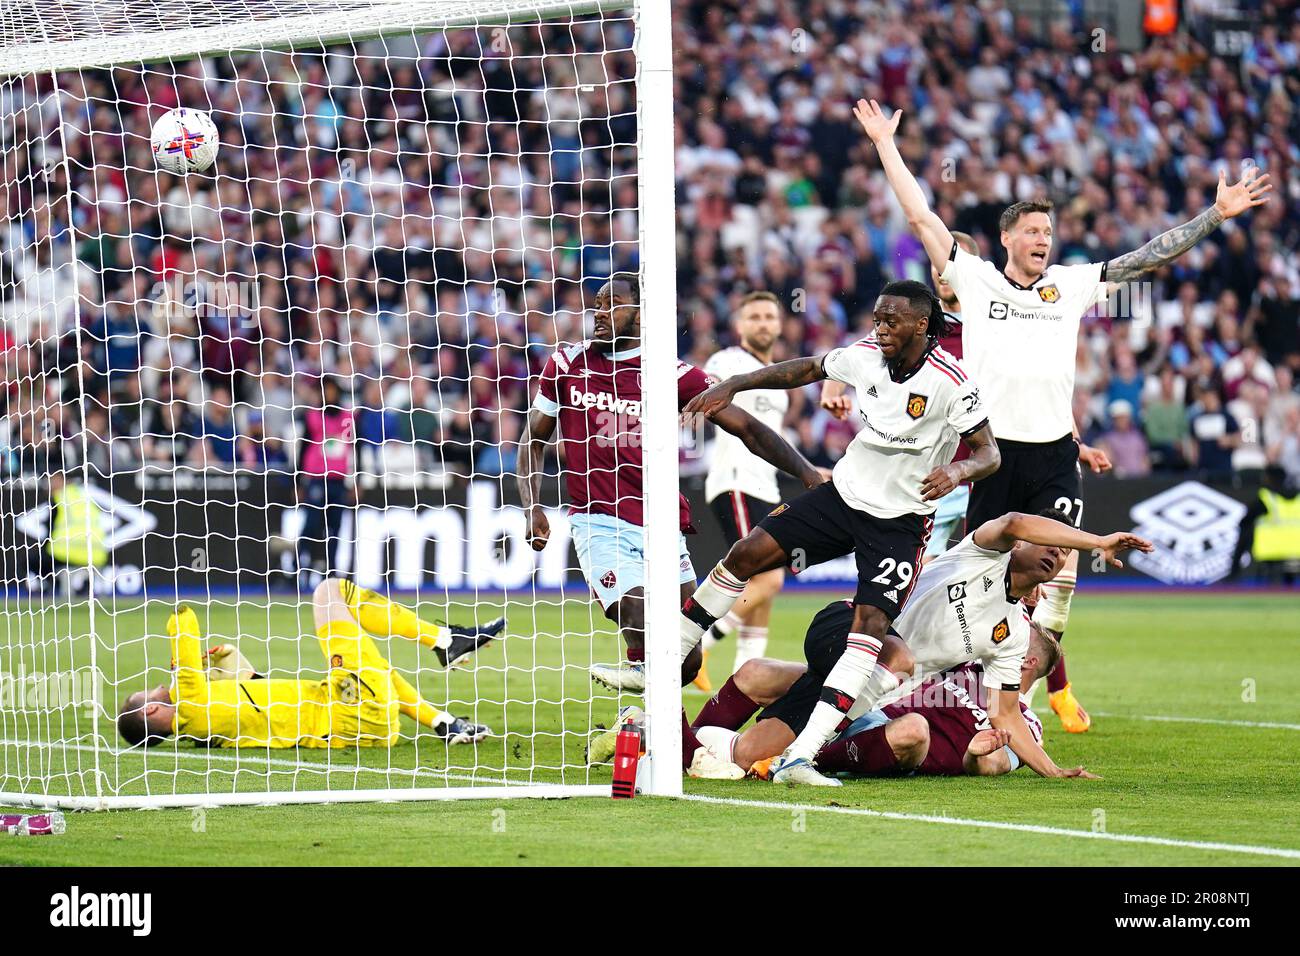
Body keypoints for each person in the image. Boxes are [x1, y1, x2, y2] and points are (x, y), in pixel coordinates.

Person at [854, 97, 1270, 733]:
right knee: (983, 577)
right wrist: (885, 142)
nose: (1044, 241)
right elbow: (920, 214)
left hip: (1052, 455)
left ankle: (1021, 700)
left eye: (1049, 233)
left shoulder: (1069, 286)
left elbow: (1149, 256)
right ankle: (942, 691)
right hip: (992, 456)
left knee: (1054, 576)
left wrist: (1215, 214)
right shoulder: (976, 281)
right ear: (1008, 239)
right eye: (1033, 232)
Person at [680, 279, 1000, 785]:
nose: (880, 328)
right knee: (747, 554)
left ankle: (800, 758)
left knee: (868, 630)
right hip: (843, 496)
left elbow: (989, 452)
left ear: (921, 323)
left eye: (891, 321)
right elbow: (807, 368)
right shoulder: (867, 353)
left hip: (899, 522)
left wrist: (958, 472)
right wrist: (735, 384)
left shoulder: (951, 380)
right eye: (877, 319)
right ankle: (671, 653)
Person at [518, 273, 823, 698]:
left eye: (613, 304)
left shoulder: (670, 373)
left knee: (686, 661)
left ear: (642, 315)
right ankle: (641, 703)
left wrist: (808, 473)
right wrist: (531, 506)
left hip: (663, 524)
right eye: (598, 304)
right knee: (639, 613)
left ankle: (635, 723)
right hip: (599, 520)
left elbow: (749, 430)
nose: (600, 313)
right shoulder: (567, 364)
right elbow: (532, 439)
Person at [695, 508, 1151, 786]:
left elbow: (1005, 712)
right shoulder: (982, 553)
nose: (1057, 554)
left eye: (1064, 556)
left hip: (866, 687)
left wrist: (1053, 772)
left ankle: (690, 745)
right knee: (898, 656)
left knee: (754, 696)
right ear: (1018, 547)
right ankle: (798, 757)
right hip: (850, 625)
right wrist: (1096, 541)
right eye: (1049, 544)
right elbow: (1012, 521)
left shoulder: (1011, 635)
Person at [116, 578, 505, 748]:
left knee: (370, 663)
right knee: (330, 594)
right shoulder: (191, 703)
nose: (156, 686)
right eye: (148, 692)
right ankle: (447, 641)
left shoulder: (201, 729)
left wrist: (235, 665)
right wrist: (178, 640)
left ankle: (444, 724)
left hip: (356, 715)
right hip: (354, 710)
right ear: (151, 707)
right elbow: (183, 624)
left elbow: (258, 694)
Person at [821, 230, 982, 558]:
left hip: (982, 474)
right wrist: (831, 391)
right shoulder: (918, 326)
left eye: (953, 261)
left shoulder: (992, 327)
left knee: (990, 579)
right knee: (919, 586)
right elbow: (857, 355)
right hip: (928, 480)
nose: (944, 270)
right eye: (938, 262)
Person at [691, 654, 1046, 780]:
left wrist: (974, 753)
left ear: (1028, 661)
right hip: (867, 712)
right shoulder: (970, 665)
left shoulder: (1029, 723)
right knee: (757, 671)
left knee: (915, 728)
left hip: (897, 745)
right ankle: (684, 741)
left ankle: (791, 762)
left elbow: (993, 764)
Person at [698, 291, 792, 691]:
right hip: (736, 481)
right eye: (753, 316)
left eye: (769, 316)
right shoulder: (728, 362)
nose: (763, 323)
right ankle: (695, 647)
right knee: (767, 580)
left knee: (764, 592)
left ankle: (741, 684)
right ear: (739, 326)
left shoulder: (781, 379)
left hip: (765, 485)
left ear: (780, 324)